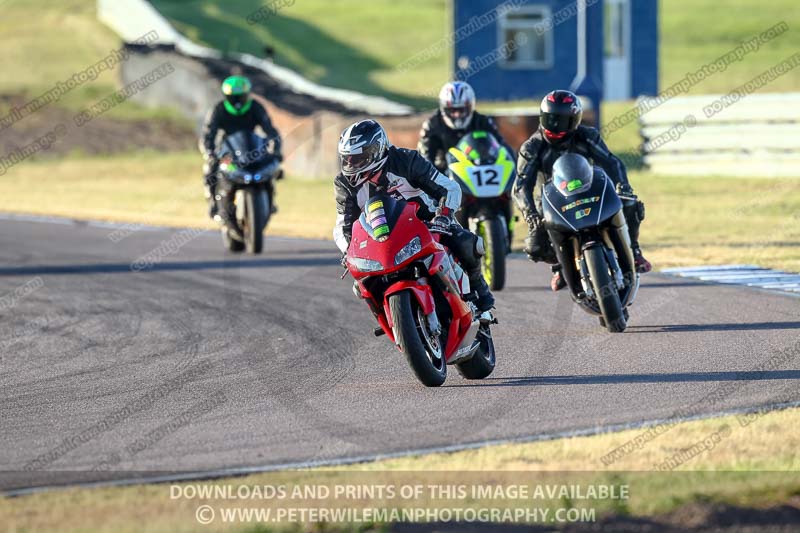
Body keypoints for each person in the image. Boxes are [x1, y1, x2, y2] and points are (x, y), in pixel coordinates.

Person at [334, 119, 495, 312]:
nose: (350, 164)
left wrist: (443, 216)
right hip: (381, 239)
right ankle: (390, 318)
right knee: (362, 285)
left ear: (376, 151)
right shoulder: (344, 183)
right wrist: (347, 250)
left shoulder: (407, 160)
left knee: (466, 243)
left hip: (428, 223)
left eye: (357, 158)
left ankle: (479, 289)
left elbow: (450, 188)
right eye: (347, 158)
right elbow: (344, 224)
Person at [513, 90, 651, 291]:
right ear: (542, 117)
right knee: (534, 247)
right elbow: (521, 186)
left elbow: (611, 162)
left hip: (590, 190)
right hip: (552, 201)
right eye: (550, 119)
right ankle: (561, 265)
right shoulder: (532, 147)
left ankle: (634, 251)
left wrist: (623, 185)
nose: (555, 125)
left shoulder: (587, 136)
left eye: (561, 120)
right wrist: (530, 214)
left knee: (630, 204)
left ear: (574, 120)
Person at [200, 75, 283, 223]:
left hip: (252, 147)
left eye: (240, 96)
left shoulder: (255, 107)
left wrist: (275, 150)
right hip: (227, 151)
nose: (237, 101)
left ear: (247, 95)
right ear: (226, 96)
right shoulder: (219, 109)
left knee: (271, 166)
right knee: (210, 170)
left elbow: (271, 131)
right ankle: (214, 203)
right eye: (233, 97)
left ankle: (270, 200)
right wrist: (210, 153)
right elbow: (208, 134)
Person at [418, 81, 515, 174]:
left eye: (462, 110)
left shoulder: (482, 121)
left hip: (478, 170)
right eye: (452, 110)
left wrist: (514, 169)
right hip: (444, 175)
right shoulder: (432, 125)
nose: (457, 115)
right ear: (444, 109)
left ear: (470, 107)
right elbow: (424, 158)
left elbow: (502, 147)